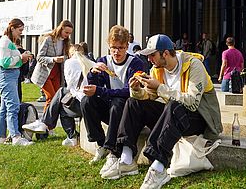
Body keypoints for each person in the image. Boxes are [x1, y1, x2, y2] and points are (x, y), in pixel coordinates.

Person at [99, 34, 222, 189]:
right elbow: (150, 96)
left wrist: (160, 87)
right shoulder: (158, 69)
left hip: (200, 120)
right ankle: (126, 159)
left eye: (152, 55)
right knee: (133, 103)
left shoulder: (194, 65)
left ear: (165, 53)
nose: (149, 59)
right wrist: (136, 90)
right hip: (174, 116)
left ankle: (158, 167)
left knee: (173, 105)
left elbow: (191, 102)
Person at [80, 25, 144, 164]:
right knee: (86, 101)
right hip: (109, 107)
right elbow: (95, 85)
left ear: (127, 46)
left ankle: (112, 149)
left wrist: (99, 91)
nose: (116, 51)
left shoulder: (136, 63)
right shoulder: (103, 61)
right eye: (113, 47)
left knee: (118, 102)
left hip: (127, 111)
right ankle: (101, 143)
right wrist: (92, 73)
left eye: (120, 48)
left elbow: (128, 92)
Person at [23, 44, 94, 146]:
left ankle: (49, 125)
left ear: (70, 54)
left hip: (82, 104)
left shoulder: (69, 63)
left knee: (62, 92)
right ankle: (69, 135)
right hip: (91, 103)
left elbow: (70, 87)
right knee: (62, 106)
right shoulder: (92, 63)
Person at [0, 18, 32, 146]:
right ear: (13, 28)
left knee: (5, 108)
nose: (21, 33)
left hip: (8, 76)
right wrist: (21, 57)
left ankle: (1, 137)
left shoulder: (7, 41)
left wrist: (22, 59)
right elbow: (5, 62)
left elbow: (9, 61)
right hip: (7, 76)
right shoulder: (5, 42)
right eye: (20, 30)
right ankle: (16, 136)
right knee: (13, 107)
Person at [31, 20, 73, 111]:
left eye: (69, 33)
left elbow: (67, 57)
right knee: (51, 98)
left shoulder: (66, 42)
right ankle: (46, 122)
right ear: (60, 29)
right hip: (45, 73)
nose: (67, 35)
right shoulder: (49, 39)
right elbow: (39, 57)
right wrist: (53, 59)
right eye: (66, 32)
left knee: (56, 99)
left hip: (57, 73)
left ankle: (47, 121)